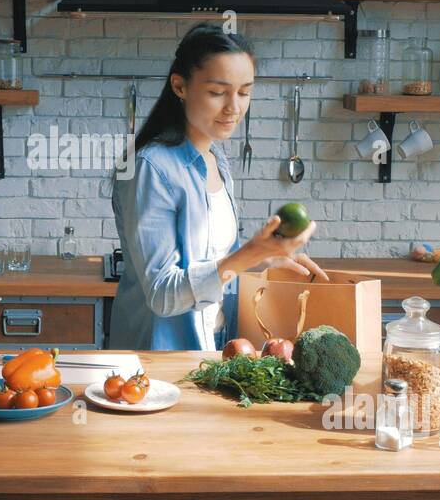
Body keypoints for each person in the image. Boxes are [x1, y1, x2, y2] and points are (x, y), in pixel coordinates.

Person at [110, 23, 328, 351]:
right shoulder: (151, 168)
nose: (234, 108)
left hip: (211, 345)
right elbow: (161, 295)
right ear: (180, 86)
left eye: (244, 92)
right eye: (217, 92)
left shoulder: (216, 158)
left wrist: (266, 260)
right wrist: (248, 255)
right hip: (159, 358)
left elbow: (217, 260)